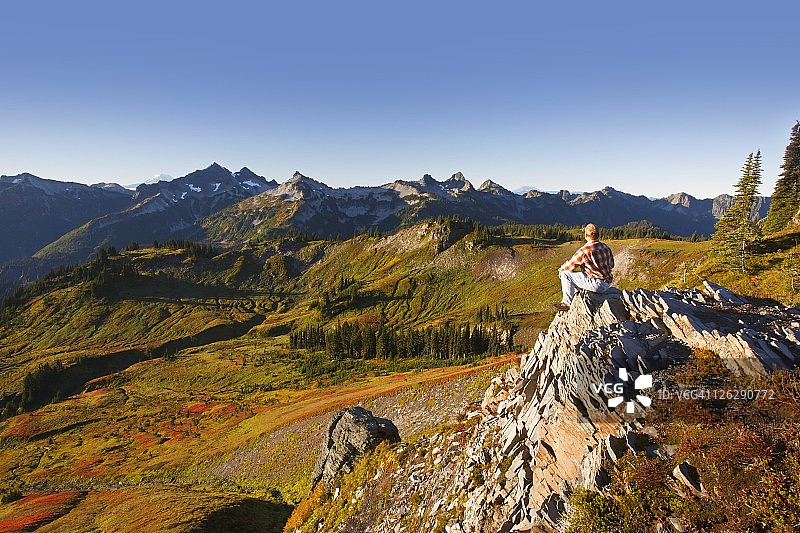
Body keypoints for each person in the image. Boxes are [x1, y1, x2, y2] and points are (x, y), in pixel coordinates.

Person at [554, 223, 614, 311]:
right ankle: (577, 297)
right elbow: (612, 265)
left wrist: (561, 269)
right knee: (575, 277)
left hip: (596, 285)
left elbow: (570, 266)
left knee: (565, 274)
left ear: (586, 235)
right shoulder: (606, 247)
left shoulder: (584, 251)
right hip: (607, 284)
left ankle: (567, 303)